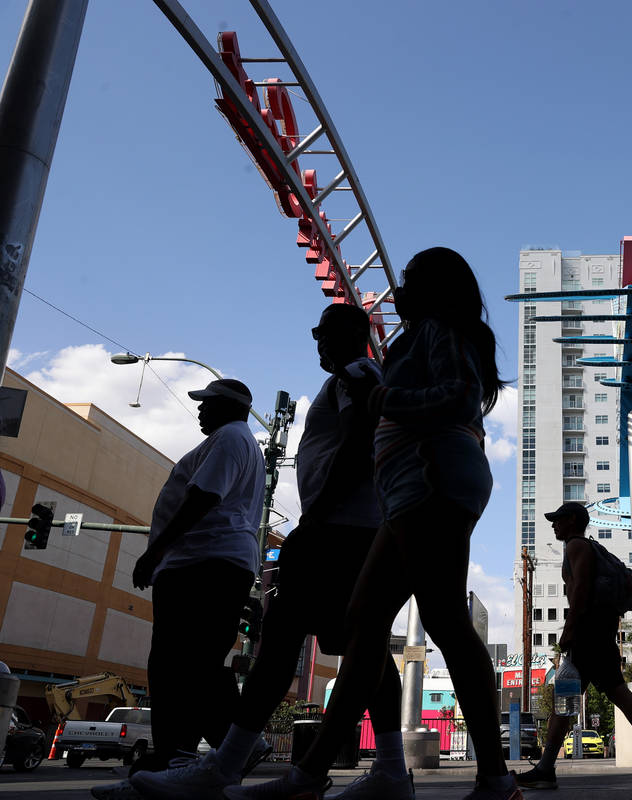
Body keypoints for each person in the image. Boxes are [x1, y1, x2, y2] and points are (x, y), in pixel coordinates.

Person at [228, 247, 512, 800]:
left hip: (431, 480)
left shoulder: (435, 328)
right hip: (416, 488)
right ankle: (326, 775)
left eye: (407, 279)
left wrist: (383, 397)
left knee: (443, 622)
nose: (398, 289)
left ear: (432, 288)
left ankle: (493, 779)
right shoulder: (423, 334)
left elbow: (459, 396)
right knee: (367, 620)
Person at [131, 304, 409, 800]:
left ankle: (226, 763)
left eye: (321, 333)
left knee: (281, 638)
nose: (317, 343)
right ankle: (391, 768)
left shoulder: (356, 372)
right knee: (364, 649)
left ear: (346, 333)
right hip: (354, 529)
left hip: (337, 529)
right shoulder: (358, 374)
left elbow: (359, 441)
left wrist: (318, 514)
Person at [92, 379, 266, 800]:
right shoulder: (239, 441)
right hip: (212, 563)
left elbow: (203, 496)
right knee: (196, 663)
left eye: (207, 403)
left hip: (201, 563)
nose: (201, 411)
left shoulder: (228, 439)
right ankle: (208, 749)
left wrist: (156, 553)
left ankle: (179, 759)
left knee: (174, 665)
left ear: (228, 406)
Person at [515, 502, 632, 792]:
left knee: (571, 700)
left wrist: (569, 630)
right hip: (599, 634)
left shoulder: (577, 547)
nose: (553, 525)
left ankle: (546, 770)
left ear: (572, 520)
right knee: (584, 700)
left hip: (587, 635)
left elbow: (580, 589)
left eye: (557, 519)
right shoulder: (590, 547)